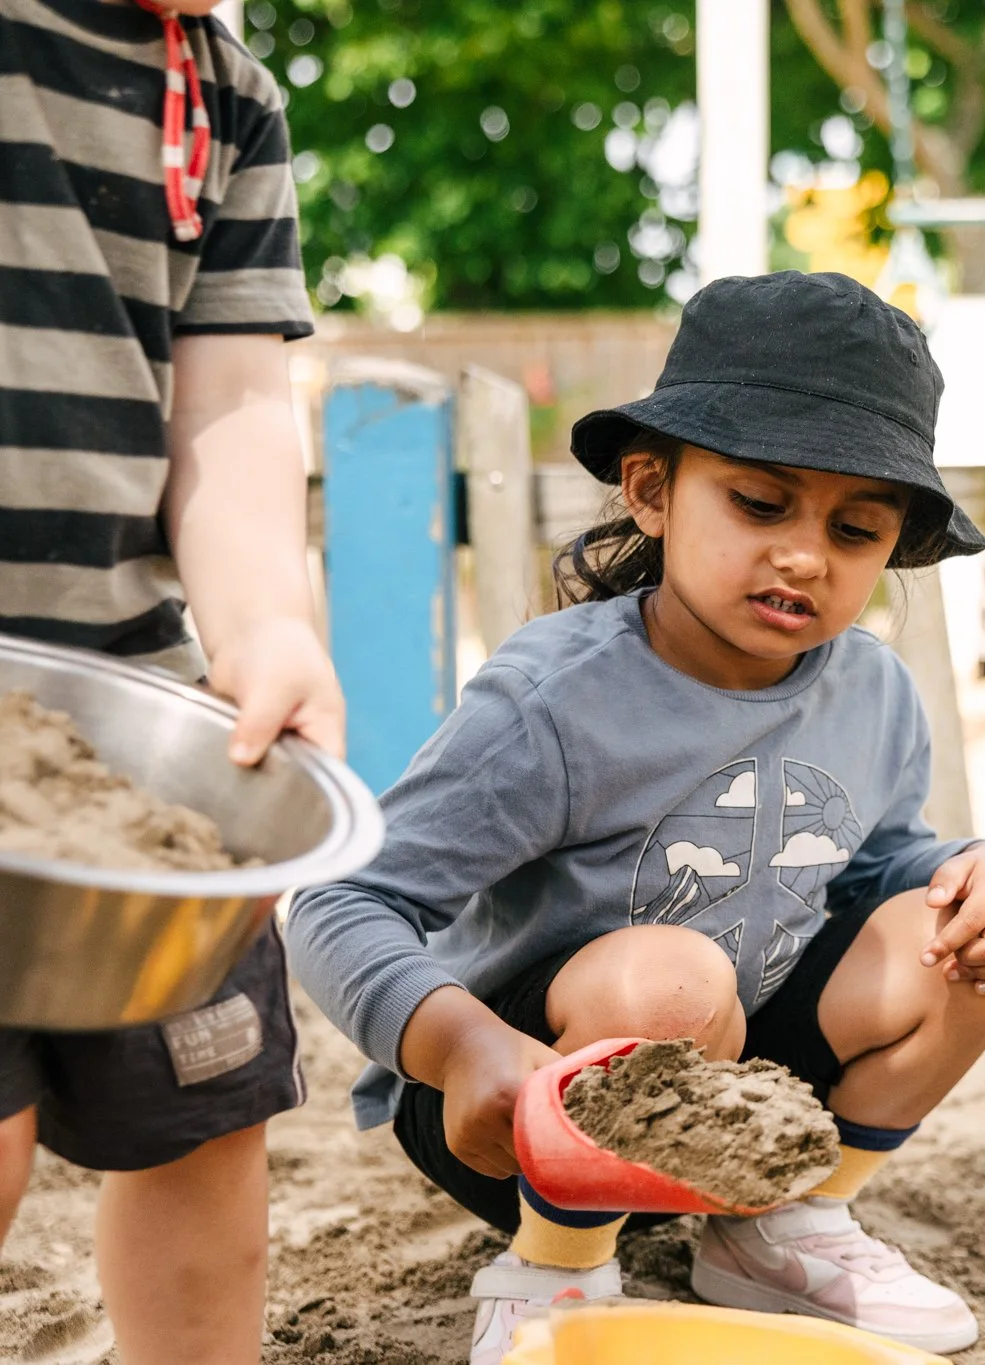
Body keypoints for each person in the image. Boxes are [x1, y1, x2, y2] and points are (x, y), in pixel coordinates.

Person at [287, 271, 985, 1365]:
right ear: (650, 490)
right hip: (513, 1101)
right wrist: (461, 1050)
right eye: (760, 502)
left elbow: (875, 864)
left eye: (855, 528)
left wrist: (981, 867)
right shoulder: (558, 699)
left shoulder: (870, 691)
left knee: (957, 940)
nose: (803, 555)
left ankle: (775, 1225)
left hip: (731, 1095)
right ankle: (553, 1268)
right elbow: (341, 897)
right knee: (670, 980)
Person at [0, 0, 341, 1360]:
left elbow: (234, 405)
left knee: (203, 1130)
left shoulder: (222, 90)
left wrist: (263, 618)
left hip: (126, 731)